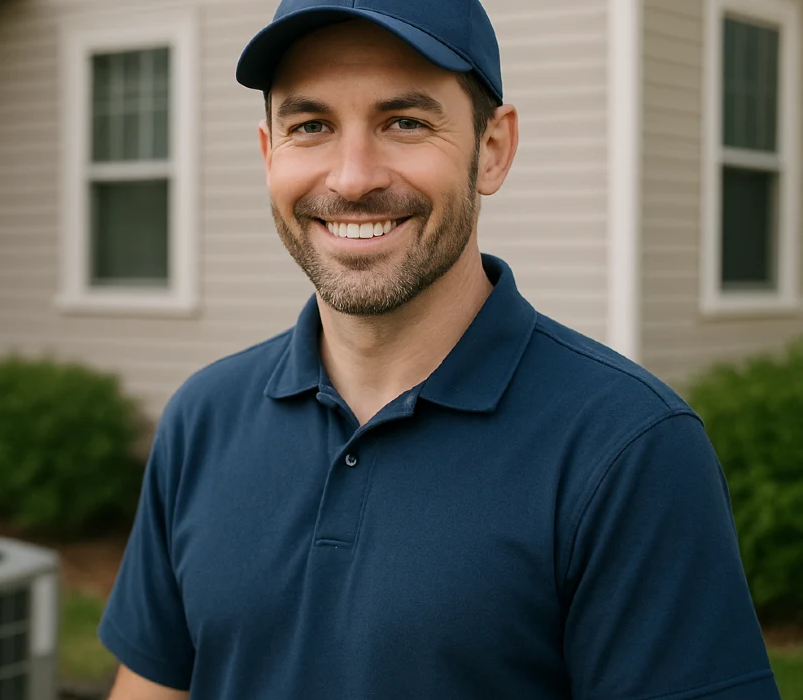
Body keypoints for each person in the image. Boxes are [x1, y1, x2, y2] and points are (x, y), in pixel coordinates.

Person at [96, 1, 781, 698]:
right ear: (270, 153)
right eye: (311, 127)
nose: (353, 178)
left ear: (492, 149)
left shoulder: (626, 449)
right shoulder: (204, 419)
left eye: (405, 122)